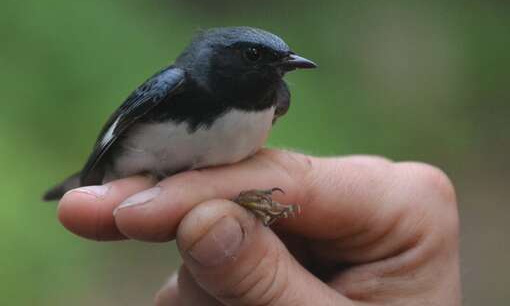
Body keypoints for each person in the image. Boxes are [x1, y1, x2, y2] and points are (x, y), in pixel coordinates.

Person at [57, 149, 461, 305]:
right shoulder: (185, 82)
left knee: (207, 210)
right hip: (148, 174)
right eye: (257, 57)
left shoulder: (270, 97)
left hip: (188, 197)